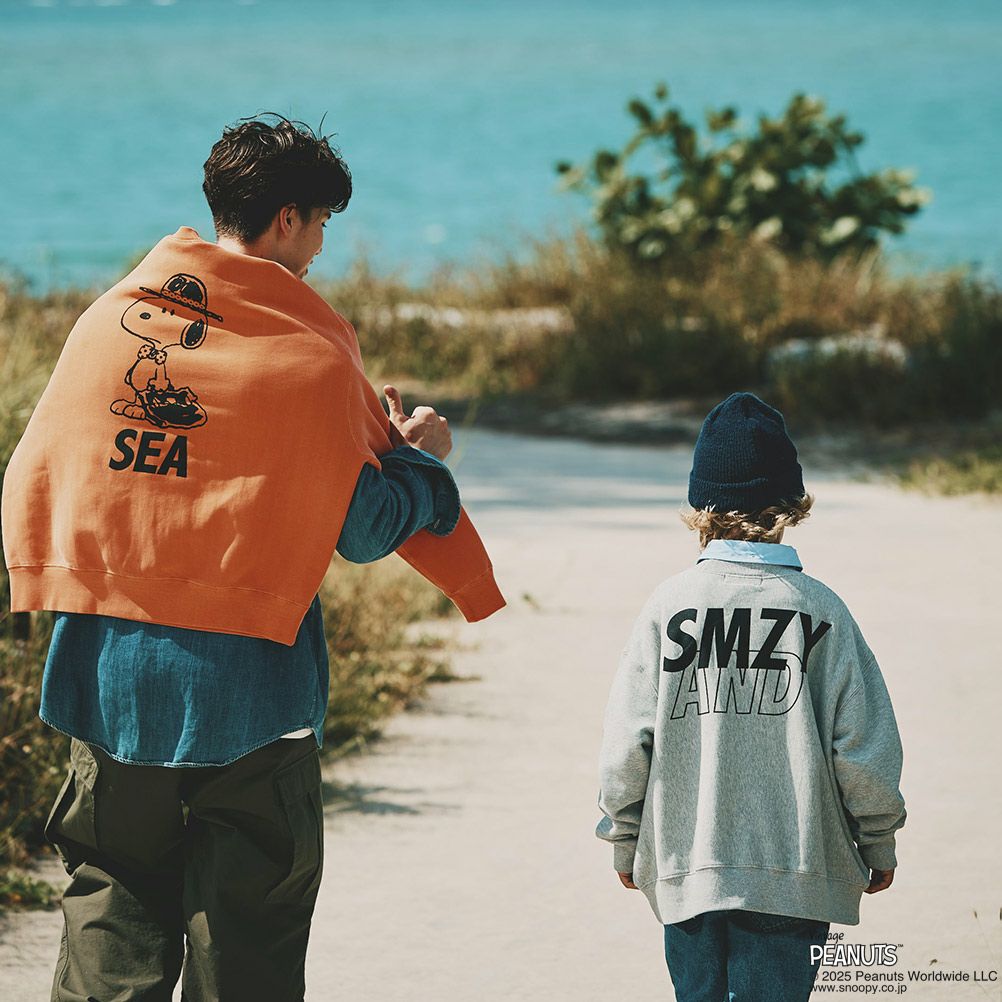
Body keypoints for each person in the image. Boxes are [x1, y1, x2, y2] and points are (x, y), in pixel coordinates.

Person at [1, 114, 505, 1002]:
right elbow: (362, 530)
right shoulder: (308, 351)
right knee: (247, 949)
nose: (320, 248)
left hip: (109, 677)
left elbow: (45, 469)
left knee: (109, 919)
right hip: (251, 696)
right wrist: (420, 462)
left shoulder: (110, 320)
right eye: (321, 225)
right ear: (286, 219)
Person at [596, 392, 905, 1002]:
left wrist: (625, 836)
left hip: (687, 869)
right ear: (791, 505)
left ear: (699, 506)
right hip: (794, 875)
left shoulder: (668, 606)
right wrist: (878, 839)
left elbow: (628, 743)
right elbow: (864, 749)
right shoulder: (822, 610)